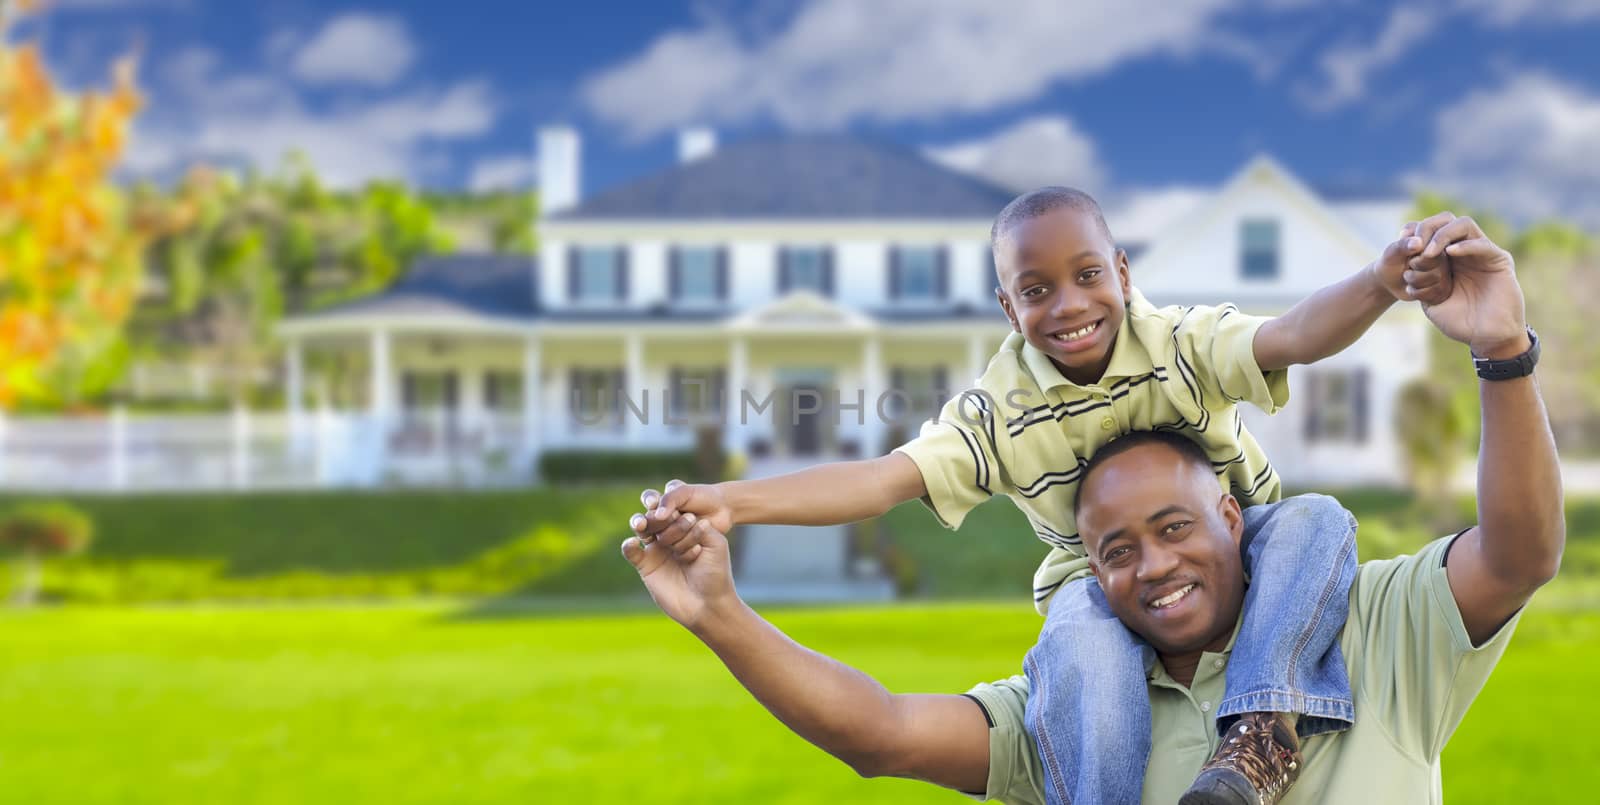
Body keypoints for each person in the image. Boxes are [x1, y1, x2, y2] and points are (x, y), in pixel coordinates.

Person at [623, 214, 1561, 804]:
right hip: (1082, 624)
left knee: (1317, 519)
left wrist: (1430, 309)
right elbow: (881, 506)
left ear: (1119, 269)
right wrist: (724, 557)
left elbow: (1298, 338)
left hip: (1284, 559)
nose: (1152, 563)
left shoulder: (1371, 631)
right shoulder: (1077, 696)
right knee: (1076, 631)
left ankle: (1263, 727)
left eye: (1175, 528)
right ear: (1006, 305)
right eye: (1035, 290)